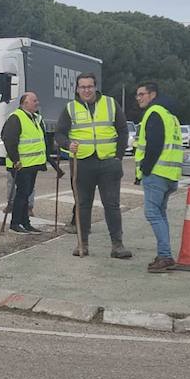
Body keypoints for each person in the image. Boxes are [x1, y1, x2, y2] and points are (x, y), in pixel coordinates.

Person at [55, 72, 131, 258]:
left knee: (112, 205)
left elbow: (122, 131)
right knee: (82, 205)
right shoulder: (70, 108)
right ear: (77, 89)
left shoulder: (111, 103)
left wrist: (118, 157)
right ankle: (83, 244)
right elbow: (59, 134)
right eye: (83, 87)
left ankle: (117, 245)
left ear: (95, 87)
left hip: (108, 163)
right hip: (82, 164)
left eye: (90, 86)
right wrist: (67, 144)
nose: (86, 90)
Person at [135, 82, 185, 273]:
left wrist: (145, 170)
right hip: (170, 174)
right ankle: (164, 253)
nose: (138, 98)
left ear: (152, 94)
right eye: (137, 95)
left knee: (152, 213)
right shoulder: (170, 115)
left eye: (142, 94)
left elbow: (154, 145)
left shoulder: (154, 112)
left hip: (157, 173)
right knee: (160, 214)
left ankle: (165, 256)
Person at [1, 92, 60, 234]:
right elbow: (9, 140)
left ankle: (25, 222)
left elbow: (42, 142)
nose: (37, 102)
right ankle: (15, 223)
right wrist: (16, 160)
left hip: (32, 164)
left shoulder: (36, 118)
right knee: (22, 194)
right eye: (34, 100)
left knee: (26, 194)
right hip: (21, 164)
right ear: (24, 103)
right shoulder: (16, 118)